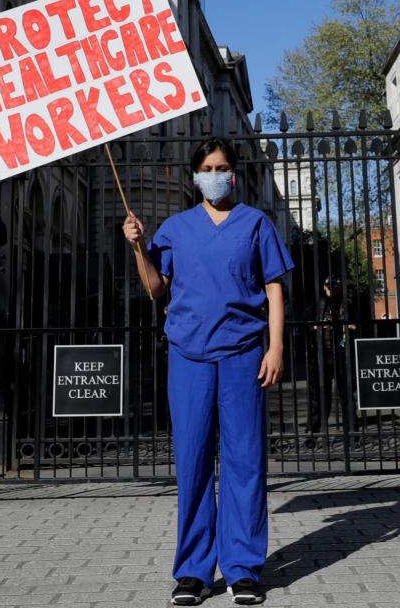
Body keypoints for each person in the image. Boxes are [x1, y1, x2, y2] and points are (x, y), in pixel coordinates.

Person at [122, 137, 293, 606]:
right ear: (195, 176)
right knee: (193, 461)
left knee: (244, 462)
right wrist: (139, 248)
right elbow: (157, 289)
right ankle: (194, 571)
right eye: (207, 168)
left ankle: (243, 569)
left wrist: (274, 347)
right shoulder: (175, 229)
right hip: (189, 357)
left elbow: (274, 288)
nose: (215, 175)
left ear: (233, 174)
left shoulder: (256, 224)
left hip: (242, 355)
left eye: (222, 167)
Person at [306, 275, 358, 434]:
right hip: (322, 354)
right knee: (320, 395)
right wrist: (313, 329)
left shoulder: (346, 304)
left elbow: (359, 325)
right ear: (324, 287)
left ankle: (351, 430)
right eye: (329, 287)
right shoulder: (318, 305)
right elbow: (306, 324)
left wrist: (352, 328)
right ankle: (314, 430)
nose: (331, 291)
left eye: (334, 288)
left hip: (342, 354)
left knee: (347, 393)